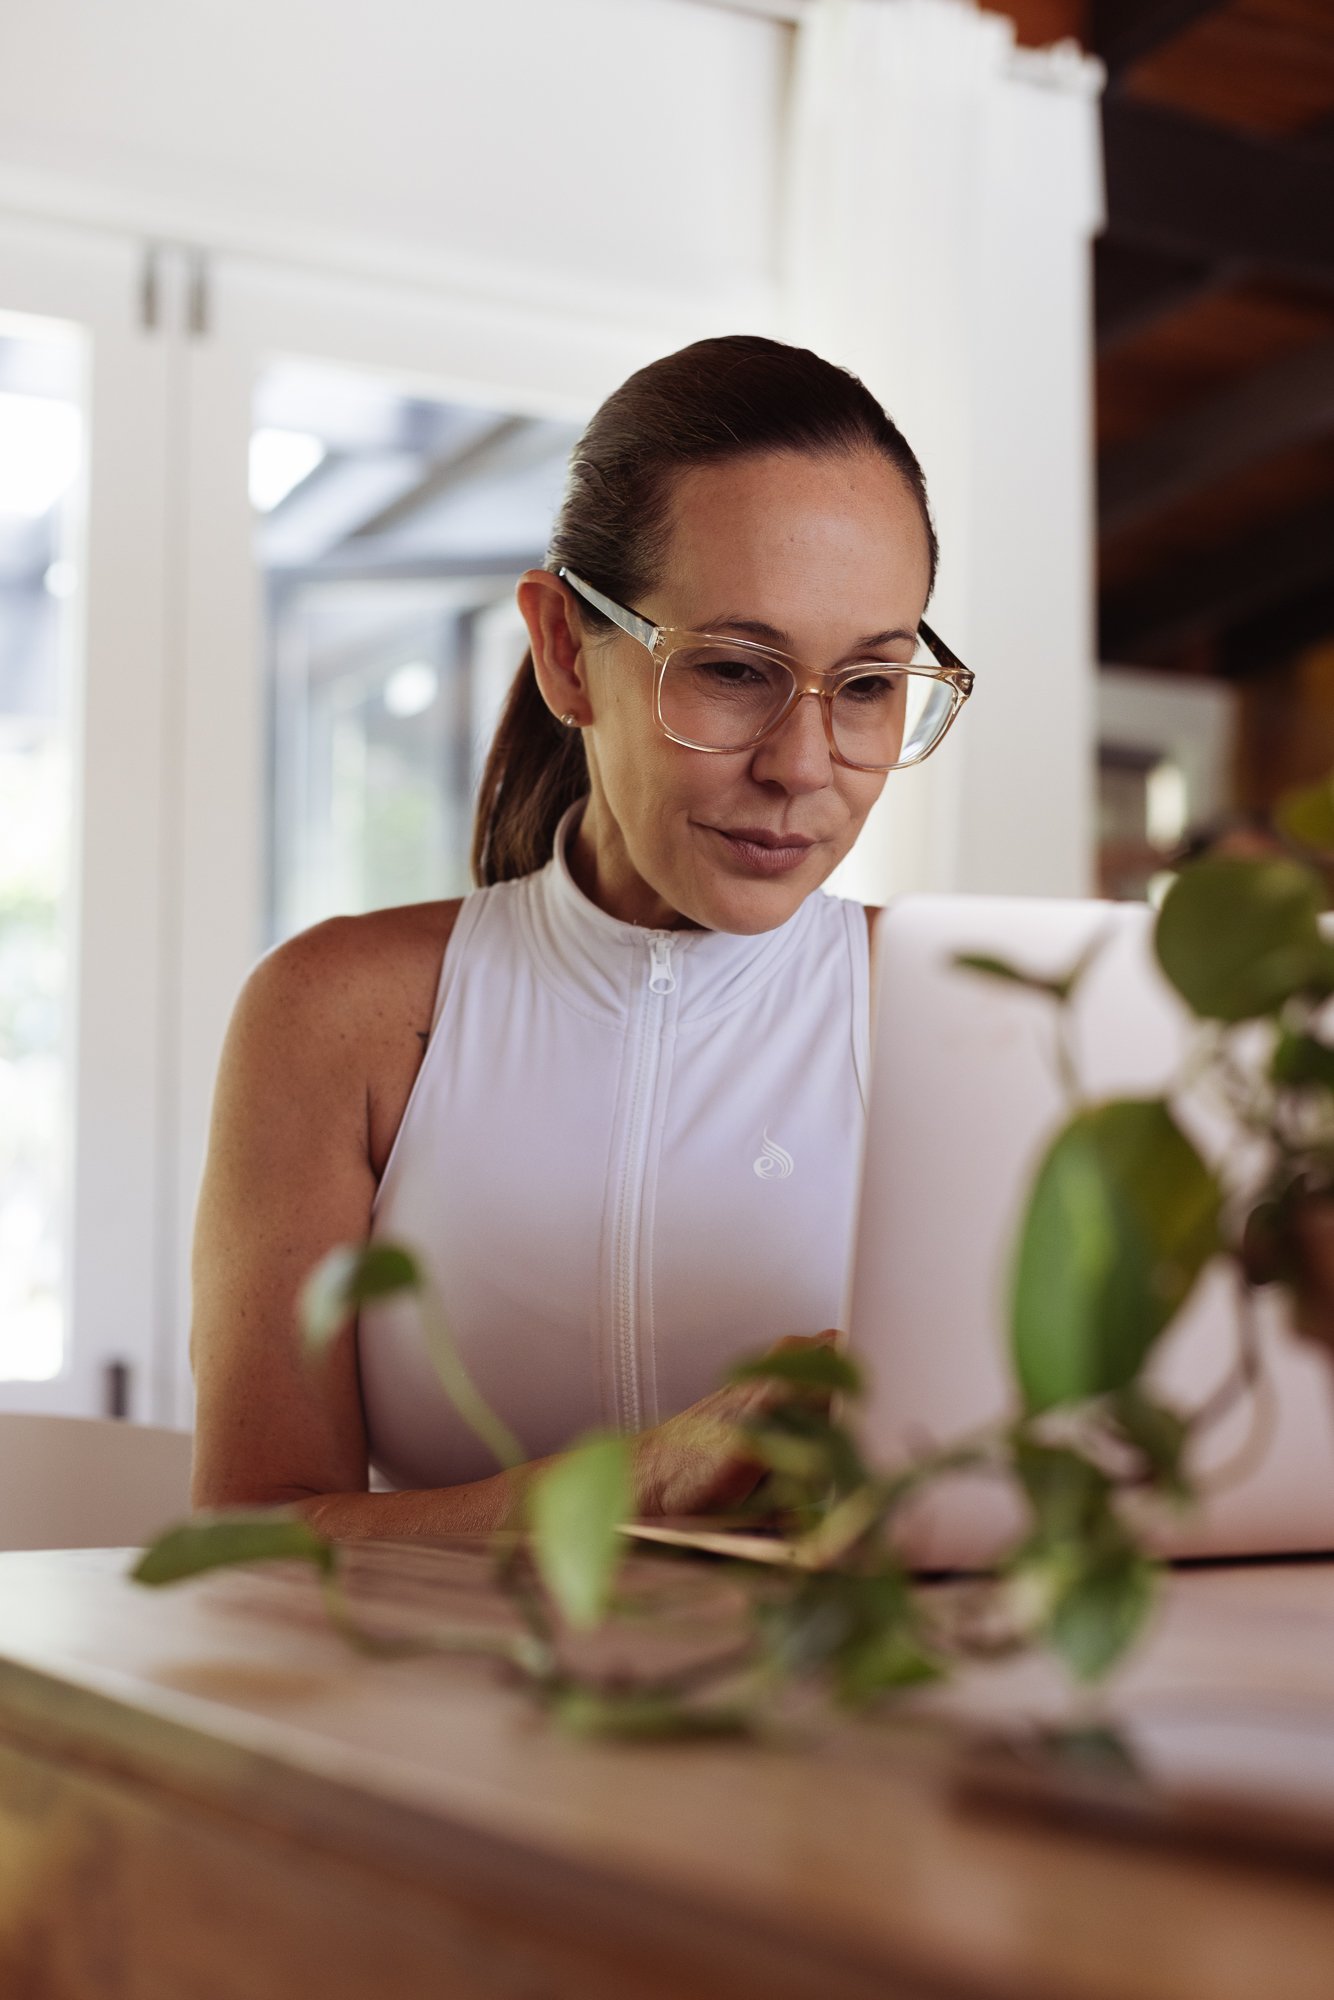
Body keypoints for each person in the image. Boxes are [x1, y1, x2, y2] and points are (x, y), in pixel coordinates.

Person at [189, 335, 972, 1537]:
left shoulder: (955, 1016)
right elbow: (241, 1539)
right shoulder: (339, 1015)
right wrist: (637, 1483)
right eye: (731, 667)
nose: (805, 766)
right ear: (565, 648)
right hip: (408, 1723)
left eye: (866, 684)